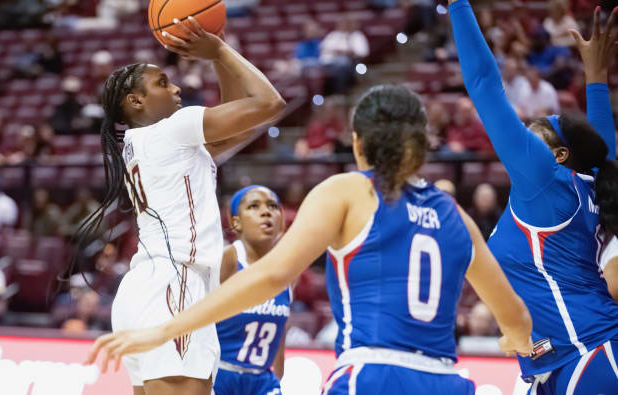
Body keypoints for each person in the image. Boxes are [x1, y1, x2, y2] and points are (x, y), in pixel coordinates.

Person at [87, 85, 533, 395]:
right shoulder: (456, 215)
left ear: (358, 144)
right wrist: (513, 339)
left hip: (371, 374)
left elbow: (273, 274)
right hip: (447, 379)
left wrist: (165, 329)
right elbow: (515, 317)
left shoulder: (348, 191)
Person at [75, 17, 285, 395]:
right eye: (161, 83)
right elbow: (268, 103)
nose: (175, 88)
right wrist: (219, 50)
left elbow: (239, 124)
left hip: (146, 287)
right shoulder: (173, 131)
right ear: (135, 100)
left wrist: (217, 58)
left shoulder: (142, 143)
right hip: (176, 286)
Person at [448, 1, 618, 393]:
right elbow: (604, 150)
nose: (524, 129)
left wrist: (457, 6)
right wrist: (596, 75)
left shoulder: (545, 179)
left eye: (538, 128)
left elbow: (484, 85)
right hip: (566, 360)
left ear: (558, 156)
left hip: (586, 353)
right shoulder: (590, 182)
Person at [214, 185, 290, 395]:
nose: (265, 211)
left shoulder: (287, 269)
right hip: (221, 375)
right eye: (254, 206)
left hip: (262, 380)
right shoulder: (228, 258)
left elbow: (281, 332)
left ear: (282, 221)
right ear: (236, 222)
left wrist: (278, 376)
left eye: (273, 206)